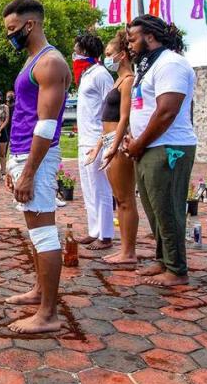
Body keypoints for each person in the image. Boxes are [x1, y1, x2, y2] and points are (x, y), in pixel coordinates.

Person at [2, 0, 70, 334]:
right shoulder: (33, 60)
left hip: (38, 157)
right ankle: (40, 291)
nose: (9, 36)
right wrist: (13, 167)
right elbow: (24, 115)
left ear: (30, 25)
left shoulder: (50, 63)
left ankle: (48, 315)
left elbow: (46, 125)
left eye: (12, 30)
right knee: (34, 229)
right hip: (23, 154)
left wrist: (28, 171)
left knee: (43, 232)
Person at [121, 15, 197, 287]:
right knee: (154, 209)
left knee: (168, 209)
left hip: (168, 146)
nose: (129, 44)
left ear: (149, 37)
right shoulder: (148, 66)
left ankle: (177, 270)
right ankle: (164, 260)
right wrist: (134, 140)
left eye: (132, 39)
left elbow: (166, 111)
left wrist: (140, 143)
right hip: (147, 146)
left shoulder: (171, 64)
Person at [94, 31, 140, 264]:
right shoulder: (118, 80)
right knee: (119, 199)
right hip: (109, 139)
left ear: (122, 55)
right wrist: (100, 145)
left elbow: (124, 117)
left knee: (125, 199)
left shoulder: (129, 80)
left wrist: (114, 146)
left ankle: (128, 251)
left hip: (118, 142)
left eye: (110, 54)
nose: (106, 59)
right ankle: (125, 248)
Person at [73, 33, 115, 251]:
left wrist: (103, 139)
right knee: (88, 188)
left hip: (97, 139)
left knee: (100, 188)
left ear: (85, 51)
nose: (74, 52)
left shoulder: (100, 74)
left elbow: (111, 107)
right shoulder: (86, 75)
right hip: (84, 138)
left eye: (76, 49)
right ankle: (94, 230)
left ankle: (106, 234)